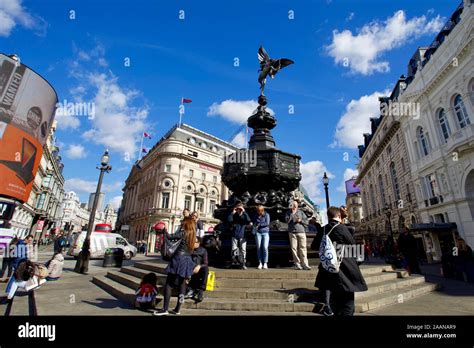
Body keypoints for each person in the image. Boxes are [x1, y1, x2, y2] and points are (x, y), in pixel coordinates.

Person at [315, 207, 368, 316]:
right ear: (339, 216)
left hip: (327, 268)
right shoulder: (342, 228)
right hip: (344, 267)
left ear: (328, 216)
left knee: (335, 301)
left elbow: (314, 245)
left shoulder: (323, 229)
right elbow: (352, 244)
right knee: (347, 303)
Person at [153, 217, 196, 316]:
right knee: (182, 285)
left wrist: (165, 230)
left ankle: (165, 309)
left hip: (178, 259)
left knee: (169, 284)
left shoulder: (183, 233)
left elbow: (169, 237)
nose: (182, 223)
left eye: (183, 222)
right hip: (187, 260)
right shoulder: (192, 235)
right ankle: (177, 309)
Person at [285, 201, 310, 270]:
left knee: (303, 248)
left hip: (301, 232)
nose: (295, 206)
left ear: (297, 206)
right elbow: (287, 221)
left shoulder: (301, 212)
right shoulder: (288, 213)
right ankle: (297, 264)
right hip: (292, 232)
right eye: (293, 205)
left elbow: (307, 221)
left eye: (296, 205)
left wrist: (300, 220)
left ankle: (305, 264)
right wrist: (292, 213)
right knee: (294, 248)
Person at [228, 203, 251, 269]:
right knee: (233, 249)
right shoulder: (234, 215)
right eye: (238, 208)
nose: (239, 210)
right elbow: (229, 220)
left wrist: (244, 211)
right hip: (234, 234)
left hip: (242, 235)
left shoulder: (244, 215)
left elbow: (248, 220)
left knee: (243, 250)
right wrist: (233, 212)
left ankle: (243, 263)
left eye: (240, 208)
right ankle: (234, 262)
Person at [186, 237, 209, 302]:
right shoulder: (189, 249)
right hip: (190, 269)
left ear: (198, 243)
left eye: (195, 242)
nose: (193, 243)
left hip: (199, 269)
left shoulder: (203, 250)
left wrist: (199, 266)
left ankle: (201, 291)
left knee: (206, 269)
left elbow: (206, 263)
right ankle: (191, 290)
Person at [252, 205, 270, 269]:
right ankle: (260, 263)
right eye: (257, 211)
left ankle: (265, 262)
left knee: (265, 247)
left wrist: (259, 224)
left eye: (259, 211)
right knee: (259, 248)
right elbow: (254, 222)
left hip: (265, 232)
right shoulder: (256, 215)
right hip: (258, 233)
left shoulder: (267, 215)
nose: (258, 212)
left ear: (262, 210)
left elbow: (267, 223)